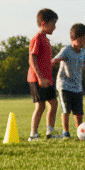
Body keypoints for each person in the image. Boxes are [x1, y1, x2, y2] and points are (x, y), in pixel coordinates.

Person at [51, 23, 85, 138]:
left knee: (79, 112)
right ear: (72, 39)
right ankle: (66, 132)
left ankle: (80, 132)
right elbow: (55, 60)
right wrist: (52, 62)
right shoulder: (66, 50)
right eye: (81, 40)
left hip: (77, 86)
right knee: (66, 110)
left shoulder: (83, 51)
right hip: (64, 85)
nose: (83, 43)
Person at [27, 8, 59, 141]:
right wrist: (40, 77)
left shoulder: (45, 39)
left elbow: (42, 60)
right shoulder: (37, 38)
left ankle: (50, 132)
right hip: (37, 78)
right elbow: (32, 58)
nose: (55, 27)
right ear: (44, 24)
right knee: (40, 106)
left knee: (53, 103)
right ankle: (33, 134)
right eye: (53, 24)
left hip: (47, 79)